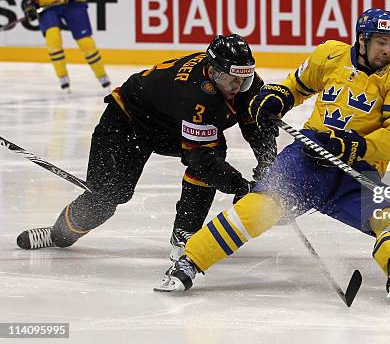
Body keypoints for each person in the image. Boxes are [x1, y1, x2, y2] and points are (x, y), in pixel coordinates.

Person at [154, 8, 390, 300]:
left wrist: (352, 146)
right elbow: (295, 87)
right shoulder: (330, 55)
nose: (388, 50)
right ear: (361, 40)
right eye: (381, 42)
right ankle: (188, 262)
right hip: (307, 158)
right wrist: (277, 97)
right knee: (261, 208)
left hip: (355, 171)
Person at [16, 34, 278, 263]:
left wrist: (268, 165)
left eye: (243, 80)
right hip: (127, 123)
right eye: (230, 79)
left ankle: (184, 232)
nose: (237, 87)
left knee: (214, 149)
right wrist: (241, 187)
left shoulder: (245, 82)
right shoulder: (195, 96)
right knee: (107, 198)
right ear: (213, 71)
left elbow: (255, 124)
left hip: (169, 126)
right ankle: (57, 234)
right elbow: (201, 161)